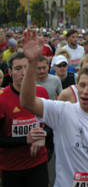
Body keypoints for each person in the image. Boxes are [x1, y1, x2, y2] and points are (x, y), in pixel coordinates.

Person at [20, 29, 88, 187]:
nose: (85, 91)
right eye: (82, 85)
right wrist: (31, 64)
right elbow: (27, 102)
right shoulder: (62, 111)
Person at [0, 52, 49, 187]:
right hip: (12, 168)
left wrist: (42, 136)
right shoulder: (2, 99)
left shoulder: (42, 92)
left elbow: (51, 125)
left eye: (27, 68)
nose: (23, 72)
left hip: (38, 163)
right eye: (18, 68)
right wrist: (26, 140)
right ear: (10, 72)